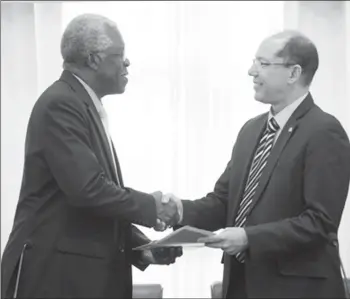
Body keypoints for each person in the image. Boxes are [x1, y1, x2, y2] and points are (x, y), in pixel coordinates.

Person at [1, 14, 182, 299]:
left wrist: (142, 250)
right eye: (119, 55)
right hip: (55, 277)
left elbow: (87, 208)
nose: (127, 63)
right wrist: (152, 206)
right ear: (93, 59)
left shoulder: (82, 104)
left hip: (78, 276)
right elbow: (88, 190)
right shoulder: (61, 103)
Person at [162, 30, 350, 298]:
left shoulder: (324, 131)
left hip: (296, 289)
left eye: (263, 64)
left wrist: (249, 238)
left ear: (293, 73)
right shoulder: (251, 130)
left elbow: (320, 222)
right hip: (242, 284)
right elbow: (225, 202)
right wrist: (180, 211)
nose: (252, 71)